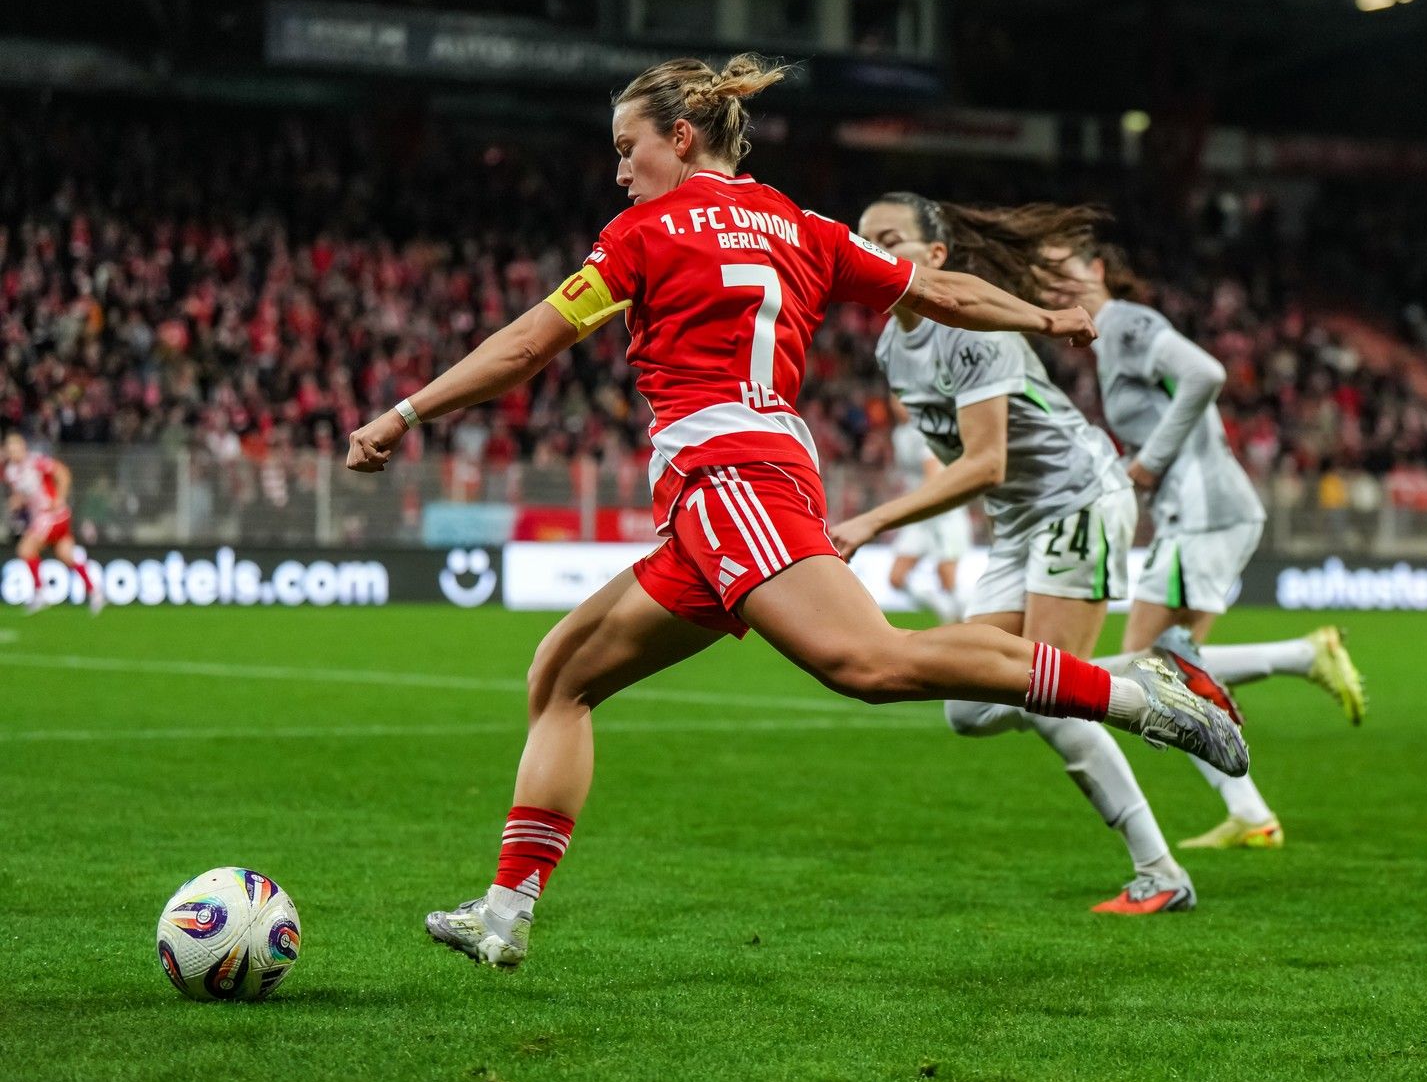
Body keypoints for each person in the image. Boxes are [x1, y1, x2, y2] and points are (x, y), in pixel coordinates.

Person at [346, 56, 1246, 967]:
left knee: (869, 662)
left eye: (628, 149)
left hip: (729, 477)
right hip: (740, 483)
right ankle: (503, 916)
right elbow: (942, 291)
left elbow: (530, 342)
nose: (620, 171)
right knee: (562, 676)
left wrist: (405, 411)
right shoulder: (799, 224)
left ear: (680, 137)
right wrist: (1047, 320)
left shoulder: (641, 233)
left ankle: (1141, 695)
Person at [833, 194, 1224, 915]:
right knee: (968, 707)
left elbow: (984, 461)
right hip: (1018, 522)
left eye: (891, 238)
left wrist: (871, 521)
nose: (873, 251)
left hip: (1078, 498)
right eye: (864, 240)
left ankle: (1160, 870)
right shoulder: (893, 343)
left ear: (937, 258)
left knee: (1048, 693)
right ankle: (1162, 678)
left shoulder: (974, 335)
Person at [1041, 229, 1364, 849]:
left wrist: (1150, 464)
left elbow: (1206, 374)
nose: (1058, 286)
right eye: (1045, 281)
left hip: (1204, 512)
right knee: (1166, 669)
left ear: (1100, 268)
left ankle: (1303, 658)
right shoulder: (1111, 343)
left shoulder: (1128, 324)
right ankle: (1251, 810)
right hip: (1198, 515)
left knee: (1150, 668)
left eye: (1066, 270)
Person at [883, 397, 972, 623]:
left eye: (901, 400)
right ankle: (941, 607)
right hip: (919, 515)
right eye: (893, 401)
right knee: (896, 578)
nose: (896, 406)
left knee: (947, 578)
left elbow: (934, 476)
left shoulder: (926, 431)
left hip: (942, 513)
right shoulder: (899, 434)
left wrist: (904, 506)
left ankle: (972, 619)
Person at [4, 432, 103, 615]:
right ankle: (95, 591)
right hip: (42, 517)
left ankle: (40, 592)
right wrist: (17, 501)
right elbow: (26, 495)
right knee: (66, 555)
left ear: (23, 447)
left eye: (15, 448)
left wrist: (60, 497)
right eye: (9, 449)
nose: (13, 452)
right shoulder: (11, 473)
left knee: (25, 549)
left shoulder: (36, 462)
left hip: (52, 515)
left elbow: (63, 473)